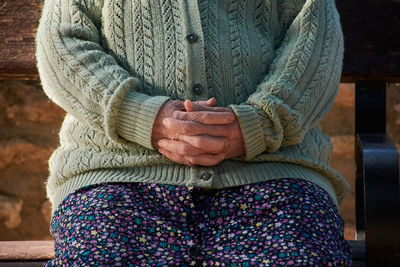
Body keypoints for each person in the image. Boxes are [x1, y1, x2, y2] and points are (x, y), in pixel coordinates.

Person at [36, 0, 352, 265]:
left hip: (273, 173)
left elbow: (317, 41)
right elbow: (62, 44)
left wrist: (258, 125)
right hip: (116, 175)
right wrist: (141, 116)